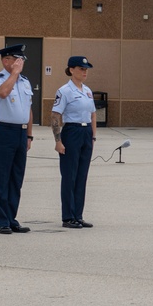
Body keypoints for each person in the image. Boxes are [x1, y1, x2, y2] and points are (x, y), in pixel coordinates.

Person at [0, 44, 34, 235]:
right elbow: (3, 93)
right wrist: (14, 74)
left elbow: (28, 110)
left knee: (16, 180)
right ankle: (1, 221)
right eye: (17, 59)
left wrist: (29, 135)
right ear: (6, 60)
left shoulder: (25, 82)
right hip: (2, 133)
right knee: (1, 179)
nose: (20, 63)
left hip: (20, 134)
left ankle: (11, 218)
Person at [51, 56, 98, 229]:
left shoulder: (87, 90)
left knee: (81, 176)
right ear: (71, 70)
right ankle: (68, 217)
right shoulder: (64, 91)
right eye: (81, 69)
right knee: (69, 176)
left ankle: (78, 215)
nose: (84, 72)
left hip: (86, 133)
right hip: (72, 131)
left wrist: (93, 137)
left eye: (86, 69)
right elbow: (56, 116)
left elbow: (93, 114)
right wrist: (58, 141)